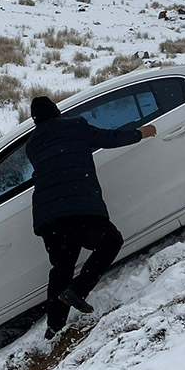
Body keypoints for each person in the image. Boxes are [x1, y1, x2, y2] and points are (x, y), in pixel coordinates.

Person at [25, 95, 157, 339]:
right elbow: (108, 138)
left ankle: (54, 327)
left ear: (35, 122)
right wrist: (140, 133)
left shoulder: (32, 145)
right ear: (58, 113)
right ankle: (78, 290)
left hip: (48, 217)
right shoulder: (75, 126)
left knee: (61, 268)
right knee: (111, 241)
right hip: (78, 207)